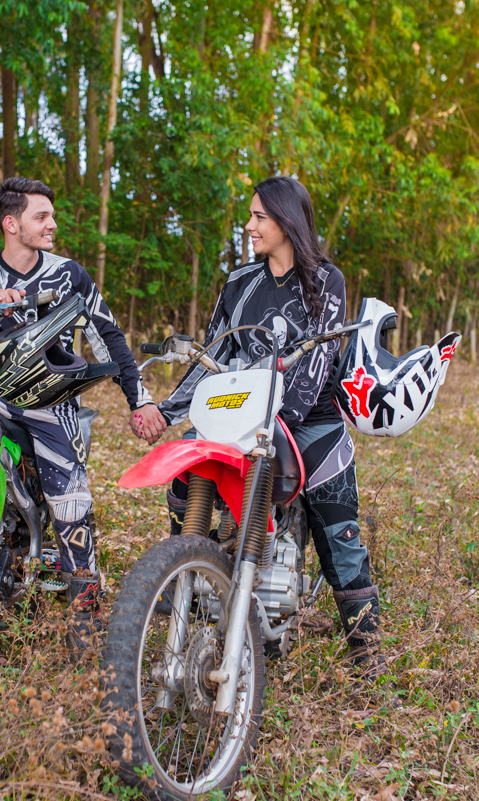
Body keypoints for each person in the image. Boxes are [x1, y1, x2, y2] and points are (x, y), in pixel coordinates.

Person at [153, 176, 387, 679]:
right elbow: (214, 353)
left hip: (309, 420)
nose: (250, 225)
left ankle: (370, 664)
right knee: (184, 476)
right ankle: (185, 581)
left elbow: (321, 357)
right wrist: (167, 412)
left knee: (340, 537)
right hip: (243, 410)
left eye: (259, 217)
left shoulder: (326, 281)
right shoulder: (240, 283)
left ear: (287, 221)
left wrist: (279, 419)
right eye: (251, 216)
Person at [0, 177, 167, 661]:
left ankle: (85, 624)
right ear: (12, 224)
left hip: (53, 404)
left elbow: (108, 336)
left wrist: (141, 400)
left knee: (71, 505)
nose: (52, 224)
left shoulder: (70, 274)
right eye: (41, 217)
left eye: (51, 215)